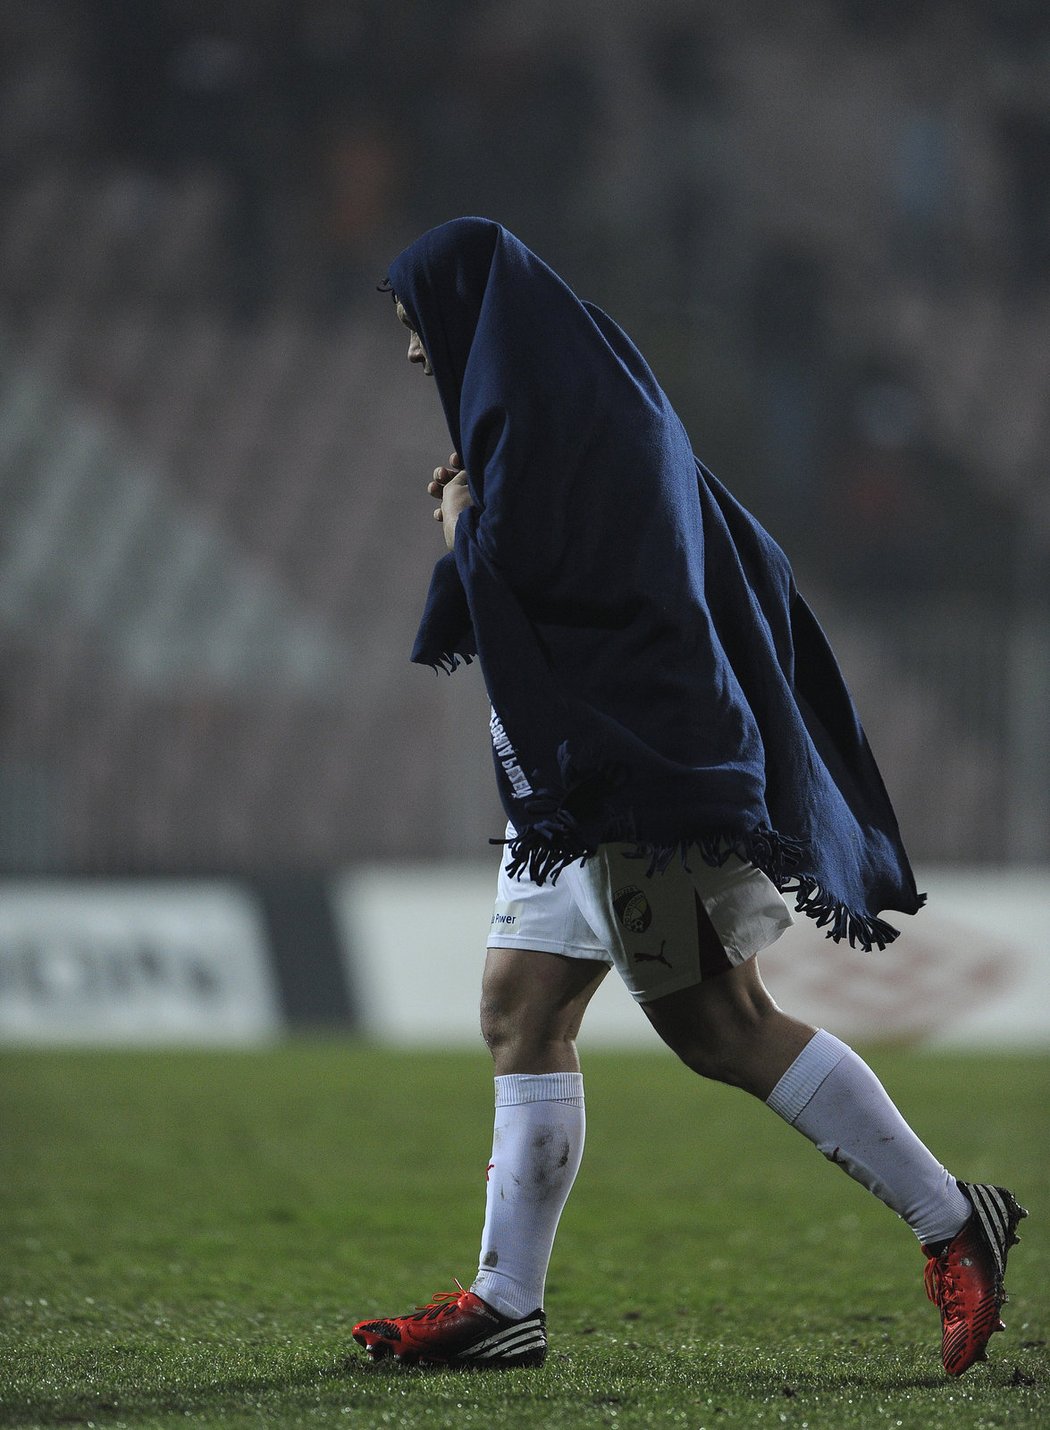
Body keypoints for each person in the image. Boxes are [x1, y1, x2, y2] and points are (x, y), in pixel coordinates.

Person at [352, 218, 1025, 1376]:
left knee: (721, 1025)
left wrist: (466, 532)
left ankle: (955, 1217)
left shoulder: (560, 421)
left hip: (636, 767)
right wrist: (480, 529)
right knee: (521, 1008)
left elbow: (557, 577)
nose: (416, 355)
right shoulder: (566, 396)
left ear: (463, 315)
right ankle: (506, 1301)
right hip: (585, 769)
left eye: (418, 327)